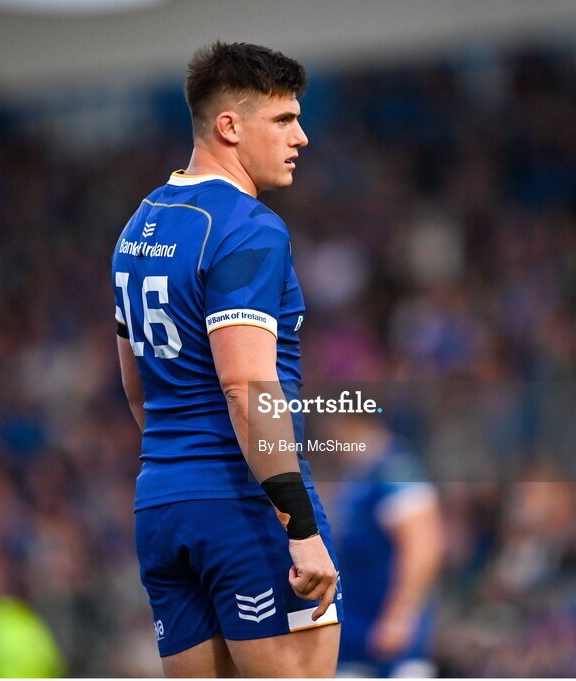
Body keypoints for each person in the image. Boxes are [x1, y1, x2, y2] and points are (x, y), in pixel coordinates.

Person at [110, 42, 342, 677]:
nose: (302, 136)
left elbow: (137, 390)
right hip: (244, 505)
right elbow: (245, 386)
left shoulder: (138, 227)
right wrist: (298, 523)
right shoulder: (247, 226)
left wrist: (184, 471)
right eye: (284, 120)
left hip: (160, 506)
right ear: (229, 126)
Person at [328, 415, 444, 677]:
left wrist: (400, 615)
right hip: (358, 631)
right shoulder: (360, 471)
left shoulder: (394, 469)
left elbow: (424, 543)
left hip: (388, 638)